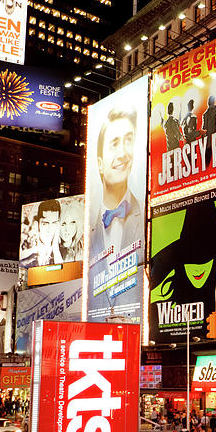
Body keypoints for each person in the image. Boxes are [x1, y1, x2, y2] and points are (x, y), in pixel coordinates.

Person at [88, 104, 144, 316]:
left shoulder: (148, 219)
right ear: (100, 164)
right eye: (114, 143)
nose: (122, 153)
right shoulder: (89, 230)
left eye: (128, 140)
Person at [20, 199, 63, 267]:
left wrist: (56, 249)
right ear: (37, 225)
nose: (50, 229)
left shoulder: (64, 252)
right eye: (45, 224)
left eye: (54, 223)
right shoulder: (26, 256)